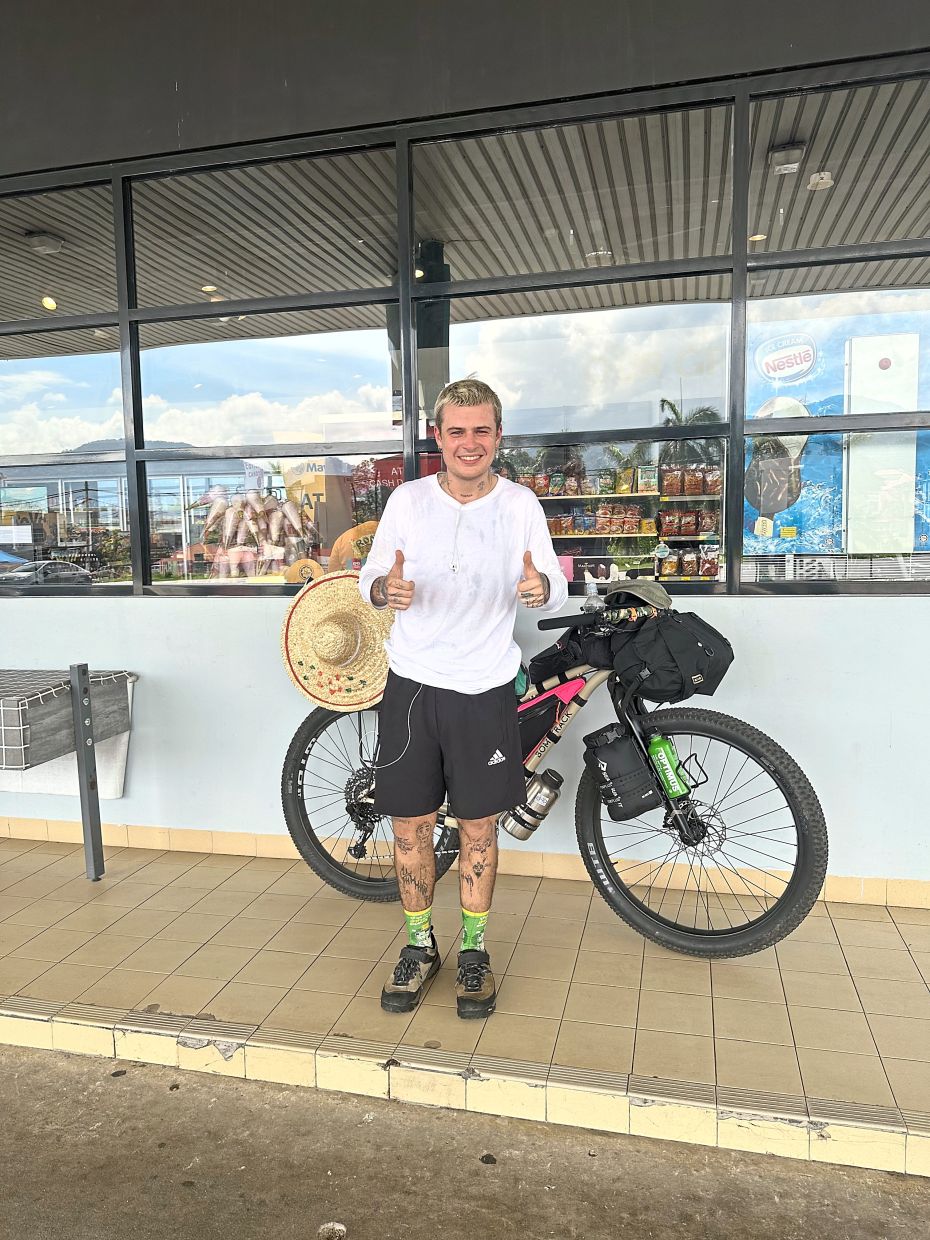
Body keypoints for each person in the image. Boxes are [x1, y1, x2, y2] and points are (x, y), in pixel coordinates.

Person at [358, 378, 569, 1019]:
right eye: (457, 431)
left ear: (498, 437)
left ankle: (473, 952)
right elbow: (371, 575)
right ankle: (420, 946)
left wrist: (541, 592)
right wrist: (380, 593)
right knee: (410, 824)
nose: (469, 443)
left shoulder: (520, 505)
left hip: (484, 687)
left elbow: (554, 583)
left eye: (482, 431)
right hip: (413, 687)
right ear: (438, 438)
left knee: (479, 826)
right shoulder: (408, 501)